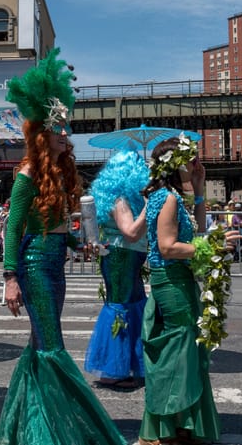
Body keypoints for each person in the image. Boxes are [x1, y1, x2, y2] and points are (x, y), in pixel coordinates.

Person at [0, 48, 126, 445]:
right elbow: (14, 228)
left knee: (39, 345)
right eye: (59, 128)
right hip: (34, 265)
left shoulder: (55, 174)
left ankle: (31, 428)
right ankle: (69, 428)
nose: (66, 134)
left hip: (55, 264)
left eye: (65, 127)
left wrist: (78, 244)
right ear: (42, 135)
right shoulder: (26, 175)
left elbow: (54, 227)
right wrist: (10, 277)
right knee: (52, 345)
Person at [138, 136, 241, 444]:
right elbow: (168, 247)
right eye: (189, 158)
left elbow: (195, 229)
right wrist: (213, 246)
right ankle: (169, 428)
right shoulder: (167, 198)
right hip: (171, 280)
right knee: (179, 351)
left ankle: (177, 425)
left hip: (175, 279)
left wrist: (199, 189)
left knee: (184, 350)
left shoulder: (170, 195)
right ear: (172, 164)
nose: (196, 162)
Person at [84, 150, 149, 389]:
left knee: (134, 304)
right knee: (121, 307)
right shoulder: (120, 199)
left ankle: (131, 364)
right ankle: (114, 370)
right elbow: (131, 233)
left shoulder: (122, 197)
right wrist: (149, 207)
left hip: (125, 257)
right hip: (121, 256)